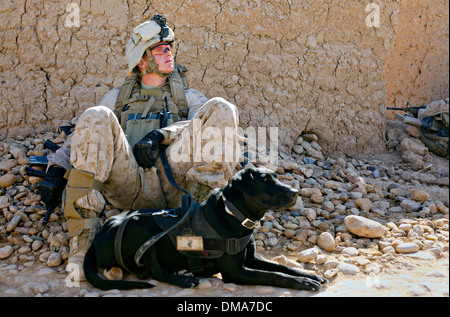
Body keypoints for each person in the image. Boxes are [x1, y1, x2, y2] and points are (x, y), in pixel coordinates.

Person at [40, 14, 242, 281]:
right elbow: (82, 136)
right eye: (161, 50)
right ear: (142, 60)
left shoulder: (189, 98)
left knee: (222, 108)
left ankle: (196, 231)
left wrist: (161, 135)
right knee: (96, 114)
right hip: (128, 184)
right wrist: (57, 169)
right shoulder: (116, 98)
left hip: (175, 186)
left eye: (170, 48)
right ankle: (84, 243)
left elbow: (203, 130)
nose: (169, 54)